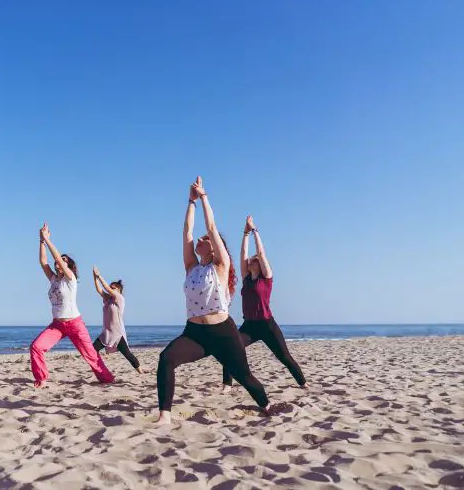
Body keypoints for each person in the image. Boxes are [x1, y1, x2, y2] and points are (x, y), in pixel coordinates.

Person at [156, 176, 271, 424]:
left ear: (214, 247)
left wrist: (204, 196)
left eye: (205, 239)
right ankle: (165, 415)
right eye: (201, 239)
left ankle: (267, 405)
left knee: (245, 377)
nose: (199, 239)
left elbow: (210, 226)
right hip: (194, 333)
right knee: (166, 359)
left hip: (222, 332)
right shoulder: (191, 267)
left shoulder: (221, 265)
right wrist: (190, 201)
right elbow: (187, 231)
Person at [221, 216, 307, 391]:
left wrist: (255, 231)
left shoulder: (266, 279)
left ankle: (303, 383)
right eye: (250, 261)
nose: (251, 261)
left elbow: (261, 253)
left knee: (284, 356)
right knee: (230, 349)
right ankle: (227, 385)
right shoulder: (246, 279)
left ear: (260, 265)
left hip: (267, 325)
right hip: (249, 326)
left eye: (254, 261)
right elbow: (242, 254)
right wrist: (245, 233)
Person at [30, 223, 115, 388]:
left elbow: (57, 261)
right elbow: (43, 261)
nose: (59, 262)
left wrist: (48, 240)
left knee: (90, 354)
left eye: (64, 260)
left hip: (75, 324)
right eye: (59, 260)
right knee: (36, 347)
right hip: (57, 325)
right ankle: (41, 378)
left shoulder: (70, 279)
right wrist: (41, 240)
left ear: (68, 266)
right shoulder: (54, 279)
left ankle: (107, 379)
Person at [91, 266, 143, 373]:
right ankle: (101, 370)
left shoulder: (120, 299)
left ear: (118, 290)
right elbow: (99, 290)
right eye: (111, 288)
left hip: (117, 334)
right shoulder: (108, 300)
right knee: (92, 350)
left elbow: (106, 288)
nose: (111, 290)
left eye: (113, 288)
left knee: (127, 354)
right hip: (105, 334)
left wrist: (99, 275)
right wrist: (94, 277)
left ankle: (140, 370)